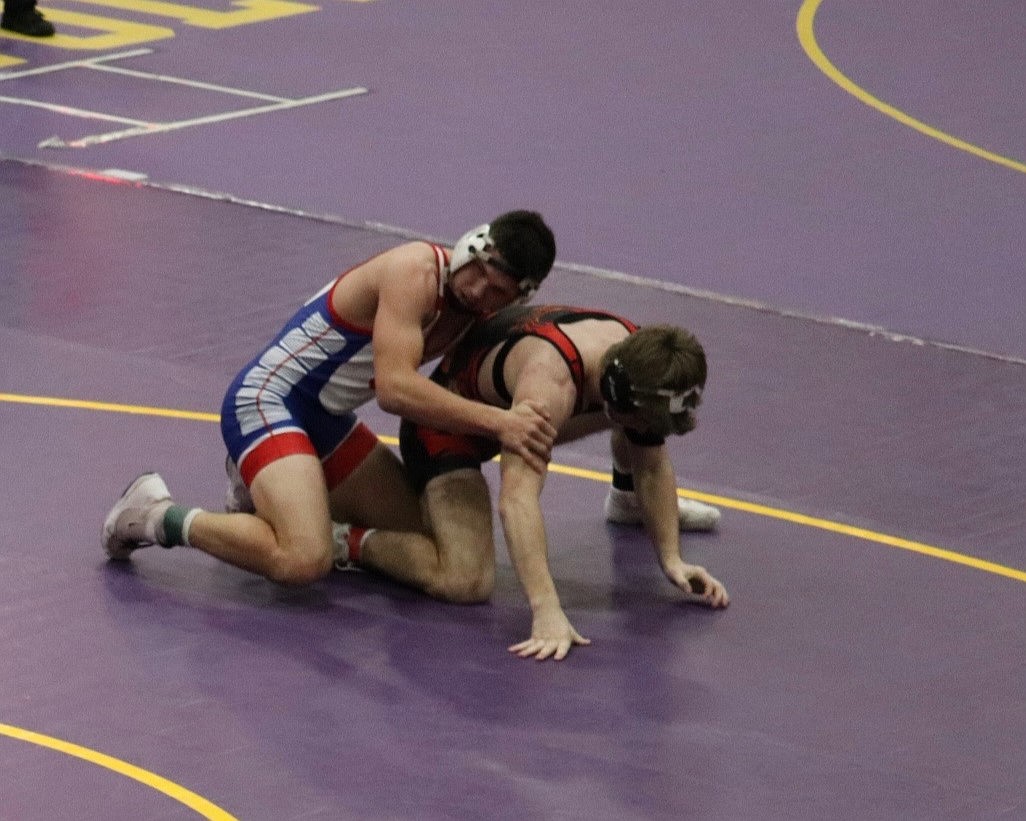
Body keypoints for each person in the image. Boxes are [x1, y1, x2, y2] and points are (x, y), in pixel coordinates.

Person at [101, 211, 559, 586]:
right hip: (267, 401)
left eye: (495, 290)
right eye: (477, 272)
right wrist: (501, 423)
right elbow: (395, 390)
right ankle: (154, 514)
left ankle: (270, 500)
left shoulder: (475, 314)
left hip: (325, 420)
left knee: (414, 533)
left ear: (516, 296)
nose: (477, 290)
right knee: (302, 560)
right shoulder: (414, 272)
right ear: (471, 244)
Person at [336, 304, 729, 661]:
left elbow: (652, 459)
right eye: (642, 422)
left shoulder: (638, 357)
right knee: (464, 581)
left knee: (640, 427)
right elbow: (517, 499)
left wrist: (672, 559)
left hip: (517, 399)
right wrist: (546, 609)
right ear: (617, 399)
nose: (649, 433)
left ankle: (627, 501)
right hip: (445, 429)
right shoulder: (550, 385)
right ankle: (344, 539)